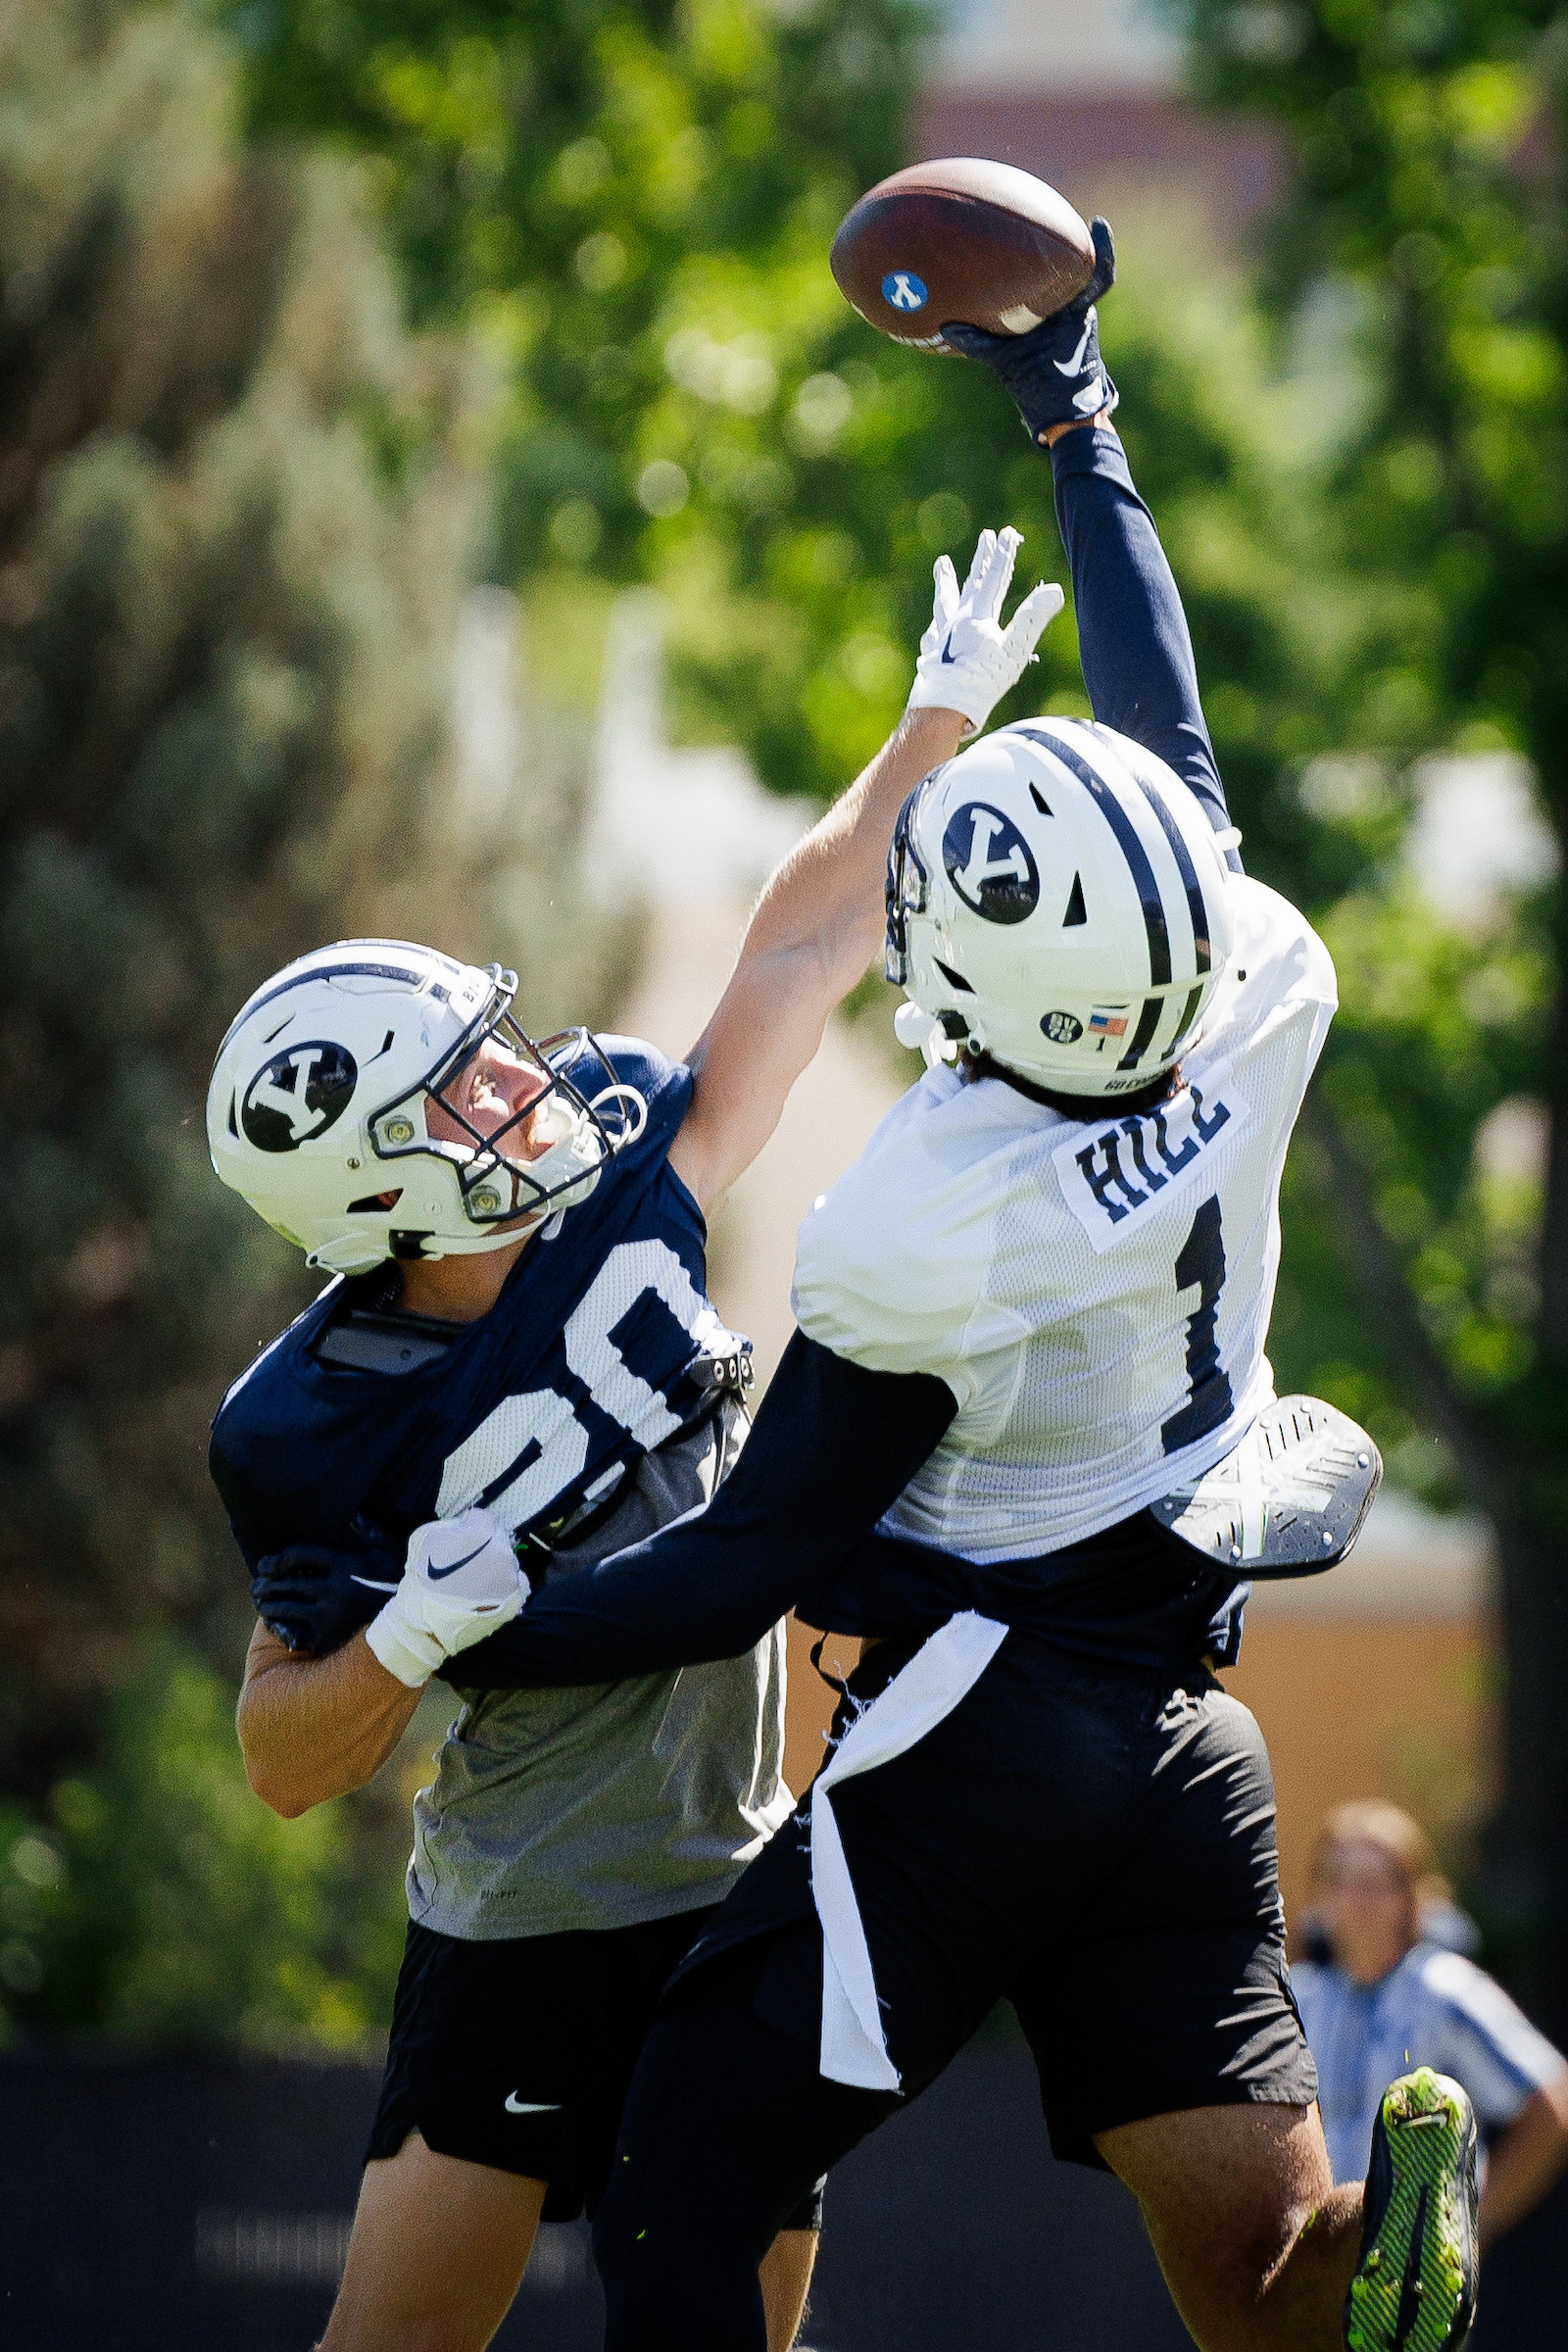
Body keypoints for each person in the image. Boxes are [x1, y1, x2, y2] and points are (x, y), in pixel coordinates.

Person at [260, 220, 1484, 2352]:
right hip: (1182, 1724)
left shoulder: (918, 1210)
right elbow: (1167, 752)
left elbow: (752, 1557)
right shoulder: (1255, 972)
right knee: (1253, 2273)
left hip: (975, 1724)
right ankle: (1361, 2273)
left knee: (677, 2199)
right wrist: (1069, 417)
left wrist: (480, 1617)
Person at [208, 535, 1061, 2352]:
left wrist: (929, 732)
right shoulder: (310, 1420)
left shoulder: (608, 1158)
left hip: (744, 1883)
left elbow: (801, 943)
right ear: (379, 1186)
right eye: (465, 1085)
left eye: (489, 1048)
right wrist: (400, 1643)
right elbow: (284, 1760)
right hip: (529, 1917)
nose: (523, 1078)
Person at [1294, 1801, 1568, 2247]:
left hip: (1419, 2282)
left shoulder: (1447, 1991)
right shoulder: (1298, 1998)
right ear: (1320, 1896)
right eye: (1340, 1879)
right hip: (1321, 2275)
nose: (1356, 1898)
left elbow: (1550, 2101)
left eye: (1374, 1883)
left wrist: (1472, 2228)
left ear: (1411, 1897)